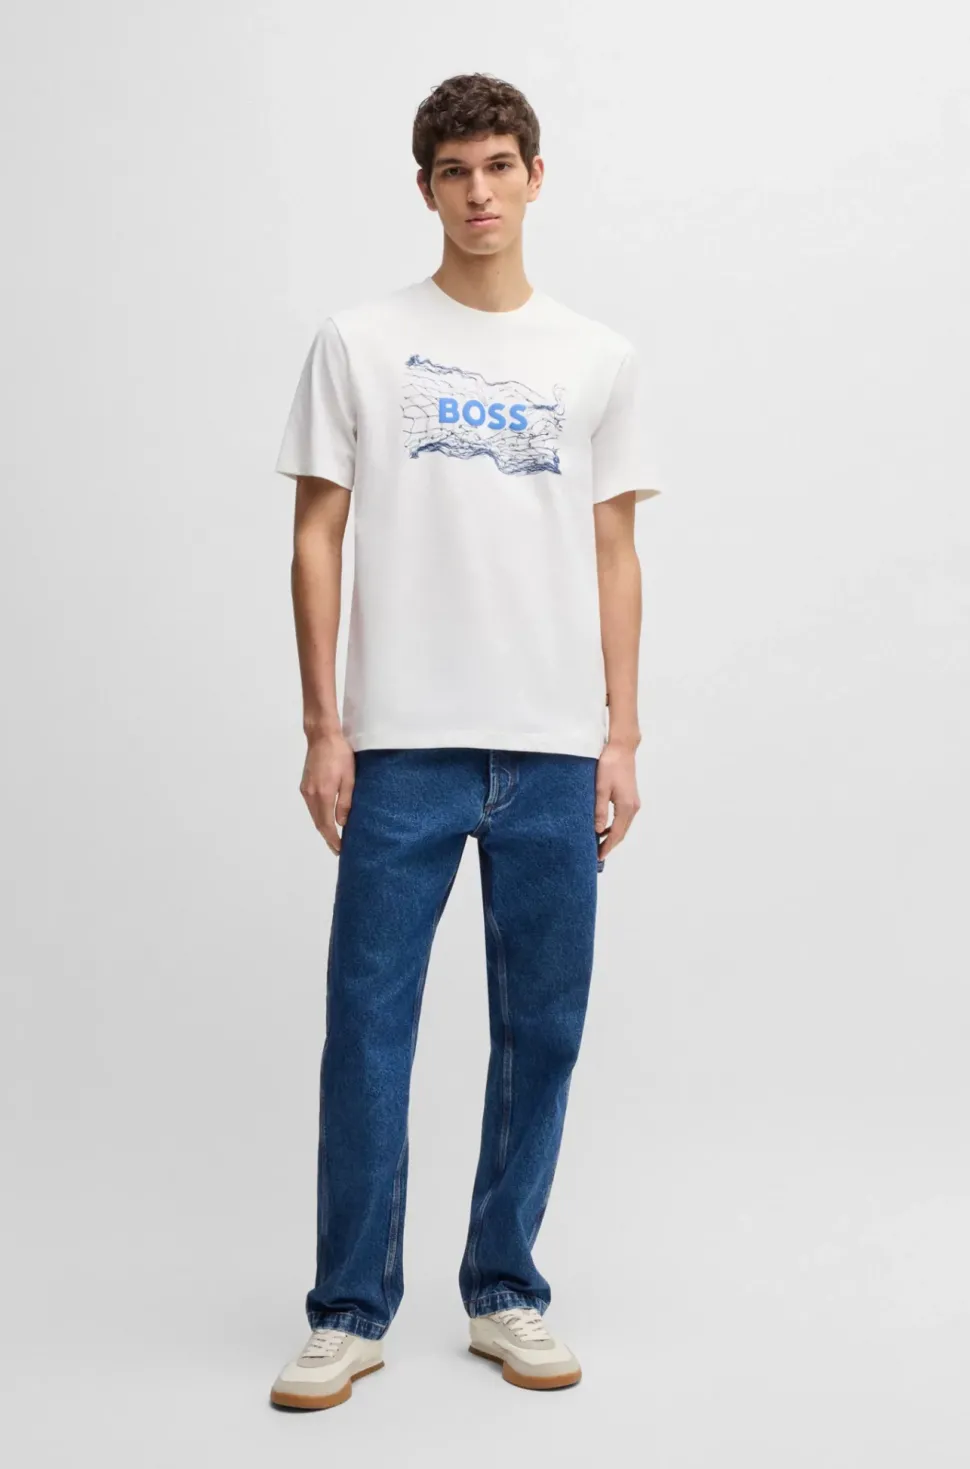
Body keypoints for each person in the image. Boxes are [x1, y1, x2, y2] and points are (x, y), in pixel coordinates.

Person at [268, 71, 662, 1411]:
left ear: (535, 177)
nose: (479, 191)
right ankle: (347, 1312)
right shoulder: (360, 342)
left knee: (541, 1031)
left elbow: (614, 552)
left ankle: (504, 1291)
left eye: (499, 165)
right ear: (425, 187)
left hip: (552, 749)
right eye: (454, 170)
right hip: (402, 744)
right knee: (366, 1030)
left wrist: (621, 734)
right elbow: (316, 534)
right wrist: (324, 723)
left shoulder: (595, 357)